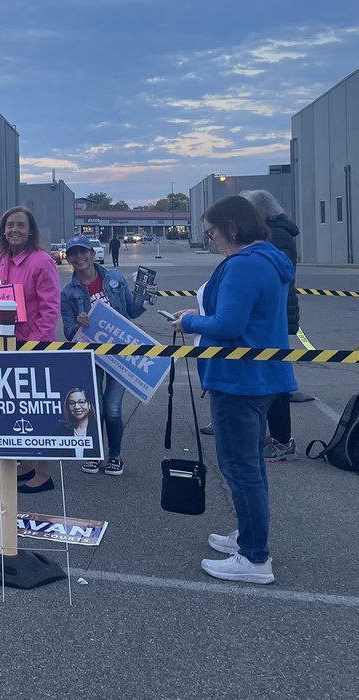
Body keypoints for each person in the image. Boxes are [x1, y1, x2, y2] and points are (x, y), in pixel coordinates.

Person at [175, 195, 296, 585]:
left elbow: (227, 324)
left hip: (239, 379)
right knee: (250, 466)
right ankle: (247, 536)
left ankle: (255, 557)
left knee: (241, 469)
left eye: (211, 231)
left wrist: (190, 321)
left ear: (231, 227)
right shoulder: (268, 259)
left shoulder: (244, 265)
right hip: (258, 378)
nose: (209, 239)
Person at [0, 206, 61, 493]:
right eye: (9, 225)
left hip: (30, 345)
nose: (14, 230)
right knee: (13, 408)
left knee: (35, 409)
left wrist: (37, 344)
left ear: (31, 231)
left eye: (20, 225)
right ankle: (24, 463)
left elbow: (50, 308)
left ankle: (44, 471)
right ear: (2, 230)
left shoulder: (42, 261)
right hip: (0, 345)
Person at [60, 235, 150, 476]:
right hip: (91, 356)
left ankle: (115, 455)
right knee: (95, 407)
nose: (79, 257)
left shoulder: (115, 278)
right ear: (68, 258)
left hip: (120, 353)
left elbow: (132, 311)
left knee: (112, 408)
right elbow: (69, 334)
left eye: (83, 252)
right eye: (73, 254)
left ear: (92, 253)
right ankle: (95, 454)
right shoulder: (68, 292)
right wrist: (79, 324)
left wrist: (147, 297)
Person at [239, 189, 302, 460]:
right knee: (265, 373)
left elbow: (275, 277)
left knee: (274, 378)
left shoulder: (276, 236)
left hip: (273, 314)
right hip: (272, 311)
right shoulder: (274, 233)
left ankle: (281, 440)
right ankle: (268, 434)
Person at [53, 388, 99, 458]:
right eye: (72, 403)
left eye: (81, 402)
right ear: (68, 407)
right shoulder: (59, 432)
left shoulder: (98, 430)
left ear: (89, 405)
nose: (77, 407)